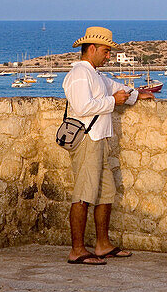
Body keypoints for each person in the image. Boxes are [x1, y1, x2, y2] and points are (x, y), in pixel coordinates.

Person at [62, 26, 155, 265]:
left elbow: (115, 87)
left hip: (99, 138)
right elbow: (83, 107)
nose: (108, 56)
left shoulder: (95, 75)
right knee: (83, 194)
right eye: (105, 51)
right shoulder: (80, 74)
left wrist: (136, 94)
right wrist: (113, 101)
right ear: (91, 49)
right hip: (87, 140)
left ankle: (102, 245)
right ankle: (77, 250)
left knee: (105, 193)